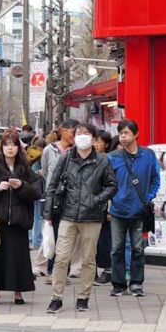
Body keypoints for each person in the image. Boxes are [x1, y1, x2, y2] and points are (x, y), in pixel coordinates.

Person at [44, 123, 117, 313]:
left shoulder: (102, 160)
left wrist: (95, 199)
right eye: (78, 133)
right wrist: (47, 215)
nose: (81, 136)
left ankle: (83, 297)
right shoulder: (66, 158)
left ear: (94, 139)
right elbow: (51, 187)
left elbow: (112, 186)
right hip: (67, 215)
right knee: (61, 258)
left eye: (86, 134)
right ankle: (56, 297)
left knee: (88, 259)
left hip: (92, 217)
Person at [0, 131, 43, 305]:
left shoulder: (25, 169)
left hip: (19, 221)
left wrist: (21, 186)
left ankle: (18, 292)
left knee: (19, 257)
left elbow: (36, 193)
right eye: (6, 144)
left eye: (13, 144)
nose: (10, 148)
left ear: (18, 147)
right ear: (1, 147)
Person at [108, 119, 160, 297]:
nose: (123, 136)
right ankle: (118, 284)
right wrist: (110, 202)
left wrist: (148, 197)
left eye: (127, 133)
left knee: (138, 248)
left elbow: (155, 179)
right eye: (121, 133)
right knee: (117, 248)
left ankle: (137, 283)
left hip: (139, 210)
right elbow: (106, 183)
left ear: (136, 134)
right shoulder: (113, 157)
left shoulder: (148, 155)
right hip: (117, 210)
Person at [35, 119, 77, 277]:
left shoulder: (78, 151)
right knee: (53, 234)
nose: (74, 135)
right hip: (53, 198)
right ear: (62, 131)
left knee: (67, 237)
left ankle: (64, 271)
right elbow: (46, 173)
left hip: (72, 199)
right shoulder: (48, 150)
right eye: (72, 131)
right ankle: (52, 270)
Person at [93, 129, 115, 285]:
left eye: (99, 141)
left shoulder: (109, 160)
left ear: (106, 144)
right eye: (94, 140)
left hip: (105, 207)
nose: (95, 144)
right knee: (92, 241)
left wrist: (109, 208)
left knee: (104, 241)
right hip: (92, 206)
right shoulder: (90, 158)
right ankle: (92, 270)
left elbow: (111, 186)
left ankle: (108, 270)